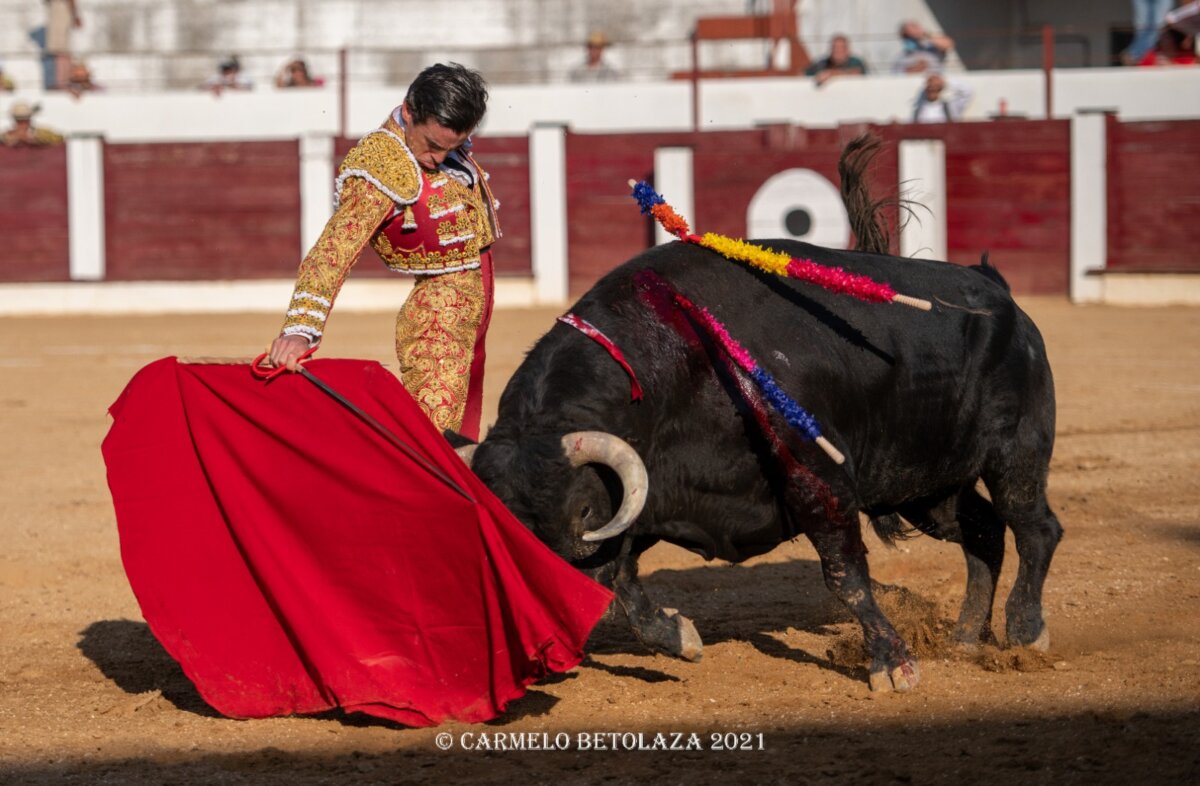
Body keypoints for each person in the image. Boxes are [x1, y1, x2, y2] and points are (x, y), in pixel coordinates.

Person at [267, 63, 501, 441]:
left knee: (463, 430)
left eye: (452, 148)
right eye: (433, 145)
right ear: (408, 111)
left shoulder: (434, 136)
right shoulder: (380, 167)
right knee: (434, 441)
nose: (439, 159)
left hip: (472, 302)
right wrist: (300, 330)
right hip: (437, 315)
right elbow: (333, 251)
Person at [44, 0, 82, 90]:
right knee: (58, 49)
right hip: (57, 8)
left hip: (62, 8)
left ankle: (63, 81)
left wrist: (75, 15)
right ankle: (62, 81)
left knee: (62, 50)